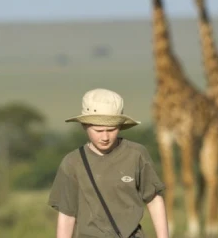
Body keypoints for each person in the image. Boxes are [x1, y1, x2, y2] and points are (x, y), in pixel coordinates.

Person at [48, 88, 169, 238]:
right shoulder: (72, 162)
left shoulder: (136, 154)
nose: (105, 137)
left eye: (111, 129)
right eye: (98, 130)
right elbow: (67, 214)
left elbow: (154, 199)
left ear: (120, 127)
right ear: (84, 126)